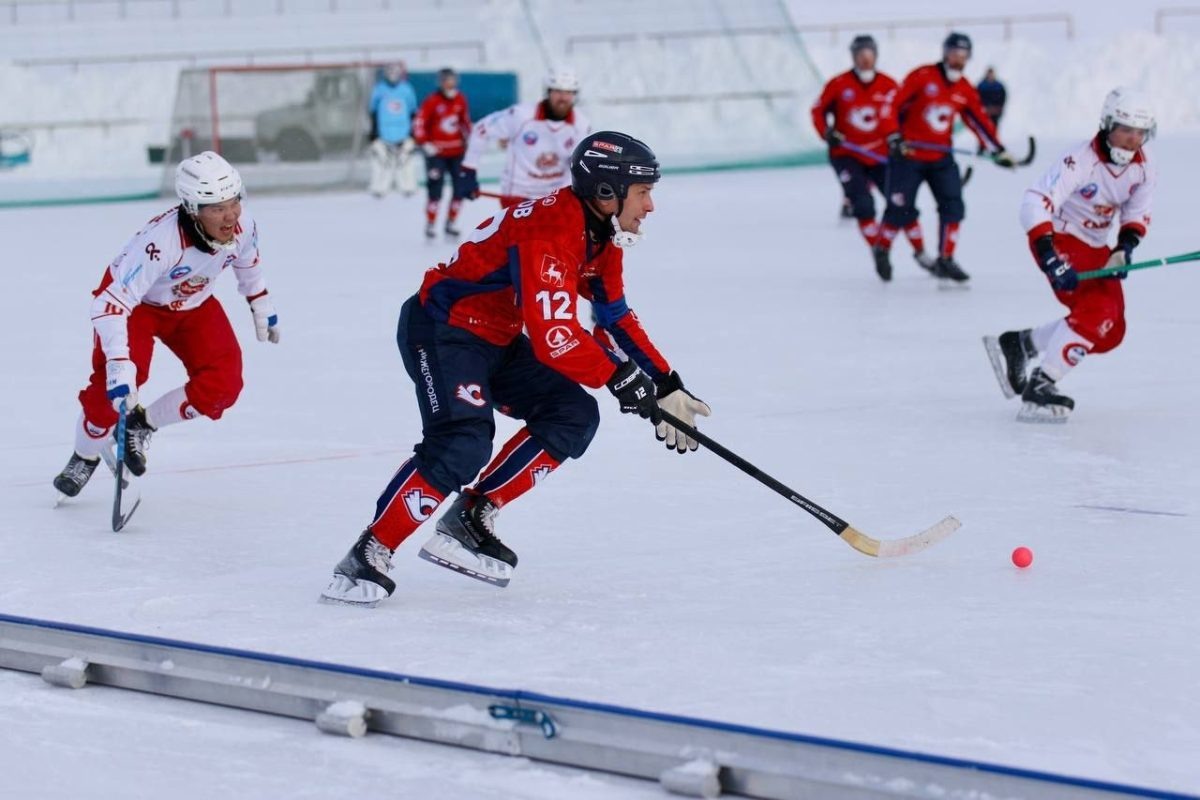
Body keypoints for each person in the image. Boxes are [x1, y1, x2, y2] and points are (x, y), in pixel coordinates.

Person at [320, 131, 710, 607]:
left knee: (572, 414)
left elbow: (614, 316)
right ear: (607, 192)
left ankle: (472, 514)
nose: (650, 206)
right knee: (463, 442)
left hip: (497, 337)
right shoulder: (551, 229)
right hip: (443, 329)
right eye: (644, 192)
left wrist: (666, 382)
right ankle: (369, 551)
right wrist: (619, 376)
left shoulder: (602, 238)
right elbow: (555, 338)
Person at [52, 151, 279, 498]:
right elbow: (110, 303)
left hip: (194, 304)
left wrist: (260, 303)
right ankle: (84, 455)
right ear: (192, 209)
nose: (230, 215)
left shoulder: (243, 224)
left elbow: (247, 261)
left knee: (224, 385)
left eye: (233, 201)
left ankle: (142, 424)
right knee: (112, 392)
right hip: (135, 307)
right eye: (216, 208)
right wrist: (118, 365)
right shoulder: (160, 243)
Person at [984, 88, 1155, 423]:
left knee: (1111, 331)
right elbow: (1036, 200)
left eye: (1140, 133)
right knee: (1098, 313)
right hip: (1059, 238)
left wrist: (1124, 249)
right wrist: (1048, 254)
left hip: (1096, 246)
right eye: (1125, 130)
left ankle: (1023, 345)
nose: (1132, 140)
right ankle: (1043, 382)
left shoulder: (1144, 169)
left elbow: (1137, 211)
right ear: (1107, 125)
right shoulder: (1081, 161)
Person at [875, 32, 1016, 284]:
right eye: (954, 54)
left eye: (963, 56)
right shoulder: (922, 76)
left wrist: (998, 149)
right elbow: (891, 105)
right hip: (908, 155)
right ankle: (882, 247)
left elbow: (979, 121)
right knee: (899, 209)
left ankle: (946, 258)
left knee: (953, 206)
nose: (958, 60)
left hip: (940, 157)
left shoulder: (964, 89)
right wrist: (893, 135)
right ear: (945, 53)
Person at [810, 34, 937, 281]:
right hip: (847, 155)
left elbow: (906, 114)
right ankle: (879, 249)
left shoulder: (889, 84)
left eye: (869, 54)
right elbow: (817, 111)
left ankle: (921, 253)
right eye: (861, 54)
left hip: (880, 156)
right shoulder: (839, 84)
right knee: (864, 205)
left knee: (902, 204)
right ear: (854, 56)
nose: (865, 59)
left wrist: (904, 141)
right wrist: (827, 133)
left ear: (876, 55)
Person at [457, 67, 592, 208]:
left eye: (569, 92)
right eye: (558, 91)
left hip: (557, 196)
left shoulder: (581, 124)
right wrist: (468, 170)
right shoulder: (520, 115)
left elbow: (580, 162)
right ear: (548, 92)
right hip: (519, 194)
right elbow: (481, 130)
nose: (563, 98)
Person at [413, 67, 472, 239]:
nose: (449, 83)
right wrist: (424, 143)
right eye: (446, 80)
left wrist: (472, 141)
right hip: (436, 153)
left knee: (459, 189)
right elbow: (420, 123)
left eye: (452, 79)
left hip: (457, 152)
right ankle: (431, 223)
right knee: (435, 189)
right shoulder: (432, 101)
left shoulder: (461, 99)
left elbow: (465, 123)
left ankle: (451, 222)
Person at [367, 61, 419, 198]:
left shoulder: (406, 89)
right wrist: (374, 131)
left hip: (403, 132)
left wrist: (413, 132)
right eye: (390, 72)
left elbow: (413, 111)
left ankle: (408, 187)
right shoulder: (379, 89)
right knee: (382, 162)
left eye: (395, 73)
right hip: (384, 133)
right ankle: (379, 188)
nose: (392, 76)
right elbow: (373, 111)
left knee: (405, 162)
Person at [976, 67, 1007, 131]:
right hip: (984, 111)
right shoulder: (981, 86)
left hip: (995, 111)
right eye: (989, 74)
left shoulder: (999, 86)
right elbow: (976, 97)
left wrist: (999, 107)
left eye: (991, 74)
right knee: (984, 128)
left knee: (994, 127)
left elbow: (1003, 98)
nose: (990, 76)